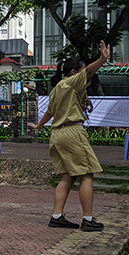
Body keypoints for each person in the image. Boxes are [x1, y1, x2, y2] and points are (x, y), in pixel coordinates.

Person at [28, 40, 110, 232]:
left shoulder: (57, 88)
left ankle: (57, 216)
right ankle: (88, 219)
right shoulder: (72, 82)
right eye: (80, 72)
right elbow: (89, 72)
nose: (84, 77)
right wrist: (102, 59)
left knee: (67, 177)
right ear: (74, 73)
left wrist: (39, 126)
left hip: (57, 134)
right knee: (86, 175)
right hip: (73, 132)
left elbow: (50, 112)